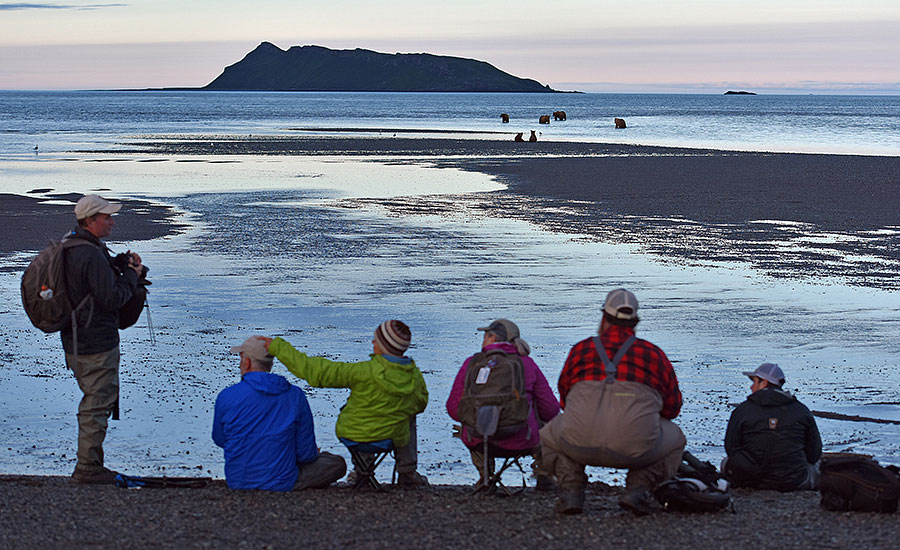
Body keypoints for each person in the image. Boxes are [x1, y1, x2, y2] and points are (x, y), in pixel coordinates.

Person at [540, 288, 686, 515]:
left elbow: (565, 402)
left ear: (603, 318)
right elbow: (672, 408)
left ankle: (571, 491)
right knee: (676, 439)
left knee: (547, 436)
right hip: (635, 449)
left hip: (578, 443)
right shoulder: (653, 354)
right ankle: (638, 490)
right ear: (635, 322)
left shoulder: (581, 350)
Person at [262, 320, 430, 486]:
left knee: (364, 413)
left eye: (376, 339)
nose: (372, 342)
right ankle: (407, 472)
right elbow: (421, 404)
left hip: (354, 435)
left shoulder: (362, 372)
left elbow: (316, 371)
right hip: (392, 437)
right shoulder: (414, 377)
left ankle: (362, 471)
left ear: (382, 346)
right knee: (408, 415)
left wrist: (278, 347)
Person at [63, 195, 143, 484]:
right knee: (97, 403)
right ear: (90, 220)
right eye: (107, 217)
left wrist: (119, 263)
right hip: (94, 342)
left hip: (75, 339)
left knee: (95, 400)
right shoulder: (89, 253)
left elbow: (92, 283)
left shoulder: (74, 244)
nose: (112, 221)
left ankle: (90, 464)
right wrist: (132, 277)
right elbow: (111, 299)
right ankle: (88, 468)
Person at [213, 336, 346, 491]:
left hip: (238, 480)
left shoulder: (226, 396)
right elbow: (306, 455)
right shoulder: (295, 395)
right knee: (336, 463)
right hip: (283, 481)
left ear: (247, 362)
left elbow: (220, 439)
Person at [446, 319, 560, 488]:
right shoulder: (527, 364)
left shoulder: (472, 363)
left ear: (492, 338)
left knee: (468, 421)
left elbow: (454, 409)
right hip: (523, 439)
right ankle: (544, 472)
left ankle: (485, 476)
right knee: (552, 424)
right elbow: (551, 410)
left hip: (480, 441)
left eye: (485, 335)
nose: (483, 339)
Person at [723, 362, 822, 491]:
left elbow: (731, 448)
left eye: (754, 382)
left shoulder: (742, 410)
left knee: (725, 462)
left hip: (751, 480)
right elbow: (814, 453)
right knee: (818, 466)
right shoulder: (801, 410)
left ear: (763, 382)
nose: (751, 387)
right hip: (794, 481)